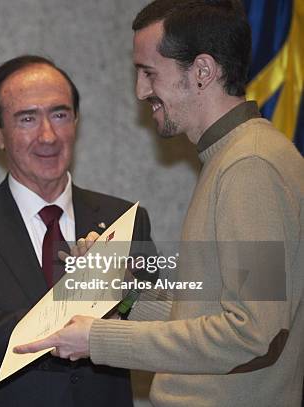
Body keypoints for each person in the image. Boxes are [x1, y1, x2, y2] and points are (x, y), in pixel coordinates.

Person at [15, 1, 304, 406]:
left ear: (202, 72)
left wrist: (97, 339)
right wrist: (122, 291)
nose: (140, 91)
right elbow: (205, 318)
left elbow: (253, 335)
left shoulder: (249, 164)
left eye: (149, 72)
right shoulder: (234, 157)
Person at [0, 55, 154, 406]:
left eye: (59, 115)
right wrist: (58, 321)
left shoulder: (123, 219)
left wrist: (119, 293)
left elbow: (155, 324)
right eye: (27, 118)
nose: (48, 136)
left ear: (76, 121)